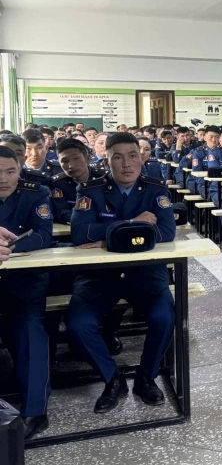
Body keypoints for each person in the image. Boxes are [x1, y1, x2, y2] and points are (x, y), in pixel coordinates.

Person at [67, 132, 176, 413]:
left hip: (145, 273)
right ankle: (112, 379)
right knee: (78, 325)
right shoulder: (90, 190)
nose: (126, 164)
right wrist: (133, 222)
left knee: (165, 317)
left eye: (132, 156)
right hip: (100, 275)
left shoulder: (155, 189)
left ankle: (146, 377)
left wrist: (106, 237)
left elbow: (166, 231)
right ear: (107, 161)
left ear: (141, 159)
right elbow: (79, 234)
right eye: (118, 157)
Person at [0, 146, 54, 439]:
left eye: (10, 171)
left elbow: (43, 235)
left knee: (30, 330)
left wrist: (8, 247)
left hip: (24, 279)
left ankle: (35, 410)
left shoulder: (35, 193)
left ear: (19, 170)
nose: (4, 179)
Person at [51, 138, 108, 224]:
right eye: (65, 161)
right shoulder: (58, 183)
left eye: (76, 158)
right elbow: (61, 212)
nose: (71, 165)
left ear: (87, 158)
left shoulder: (104, 178)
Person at [191, 125, 222, 201]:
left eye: (217, 137)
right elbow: (197, 173)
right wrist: (206, 185)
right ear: (205, 137)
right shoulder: (198, 152)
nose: (214, 140)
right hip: (205, 184)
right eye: (211, 137)